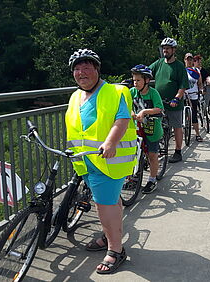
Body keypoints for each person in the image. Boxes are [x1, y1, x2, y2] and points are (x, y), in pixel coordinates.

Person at [66, 49, 136, 274]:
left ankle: (116, 250)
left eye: (86, 67)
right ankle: (110, 239)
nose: (81, 72)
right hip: (86, 161)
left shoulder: (116, 91)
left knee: (104, 206)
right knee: (112, 203)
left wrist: (110, 143)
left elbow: (122, 119)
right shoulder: (76, 95)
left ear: (97, 69)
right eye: (77, 68)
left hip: (107, 160)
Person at [149, 38, 189, 163]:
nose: (165, 50)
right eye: (164, 48)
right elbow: (147, 72)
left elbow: (183, 86)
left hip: (173, 103)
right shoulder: (159, 63)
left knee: (176, 126)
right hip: (159, 103)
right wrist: (135, 78)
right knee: (156, 125)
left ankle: (178, 151)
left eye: (167, 48)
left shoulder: (179, 66)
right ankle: (158, 150)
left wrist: (177, 98)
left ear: (173, 50)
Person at [130, 64, 164, 193]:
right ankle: (133, 179)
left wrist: (144, 111)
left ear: (147, 81)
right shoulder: (132, 92)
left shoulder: (153, 93)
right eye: (134, 80)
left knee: (152, 155)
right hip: (137, 128)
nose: (135, 83)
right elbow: (126, 105)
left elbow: (159, 108)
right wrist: (132, 113)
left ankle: (152, 180)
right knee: (133, 152)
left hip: (151, 128)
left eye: (138, 80)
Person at [184, 53, 204, 142]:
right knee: (181, 114)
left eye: (191, 59)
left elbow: (199, 82)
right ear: (185, 60)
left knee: (194, 114)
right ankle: (180, 132)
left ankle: (197, 134)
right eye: (187, 59)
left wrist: (201, 89)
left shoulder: (196, 71)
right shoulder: (182, 70)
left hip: (193, 94)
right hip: (183, 95)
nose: (189, 61)